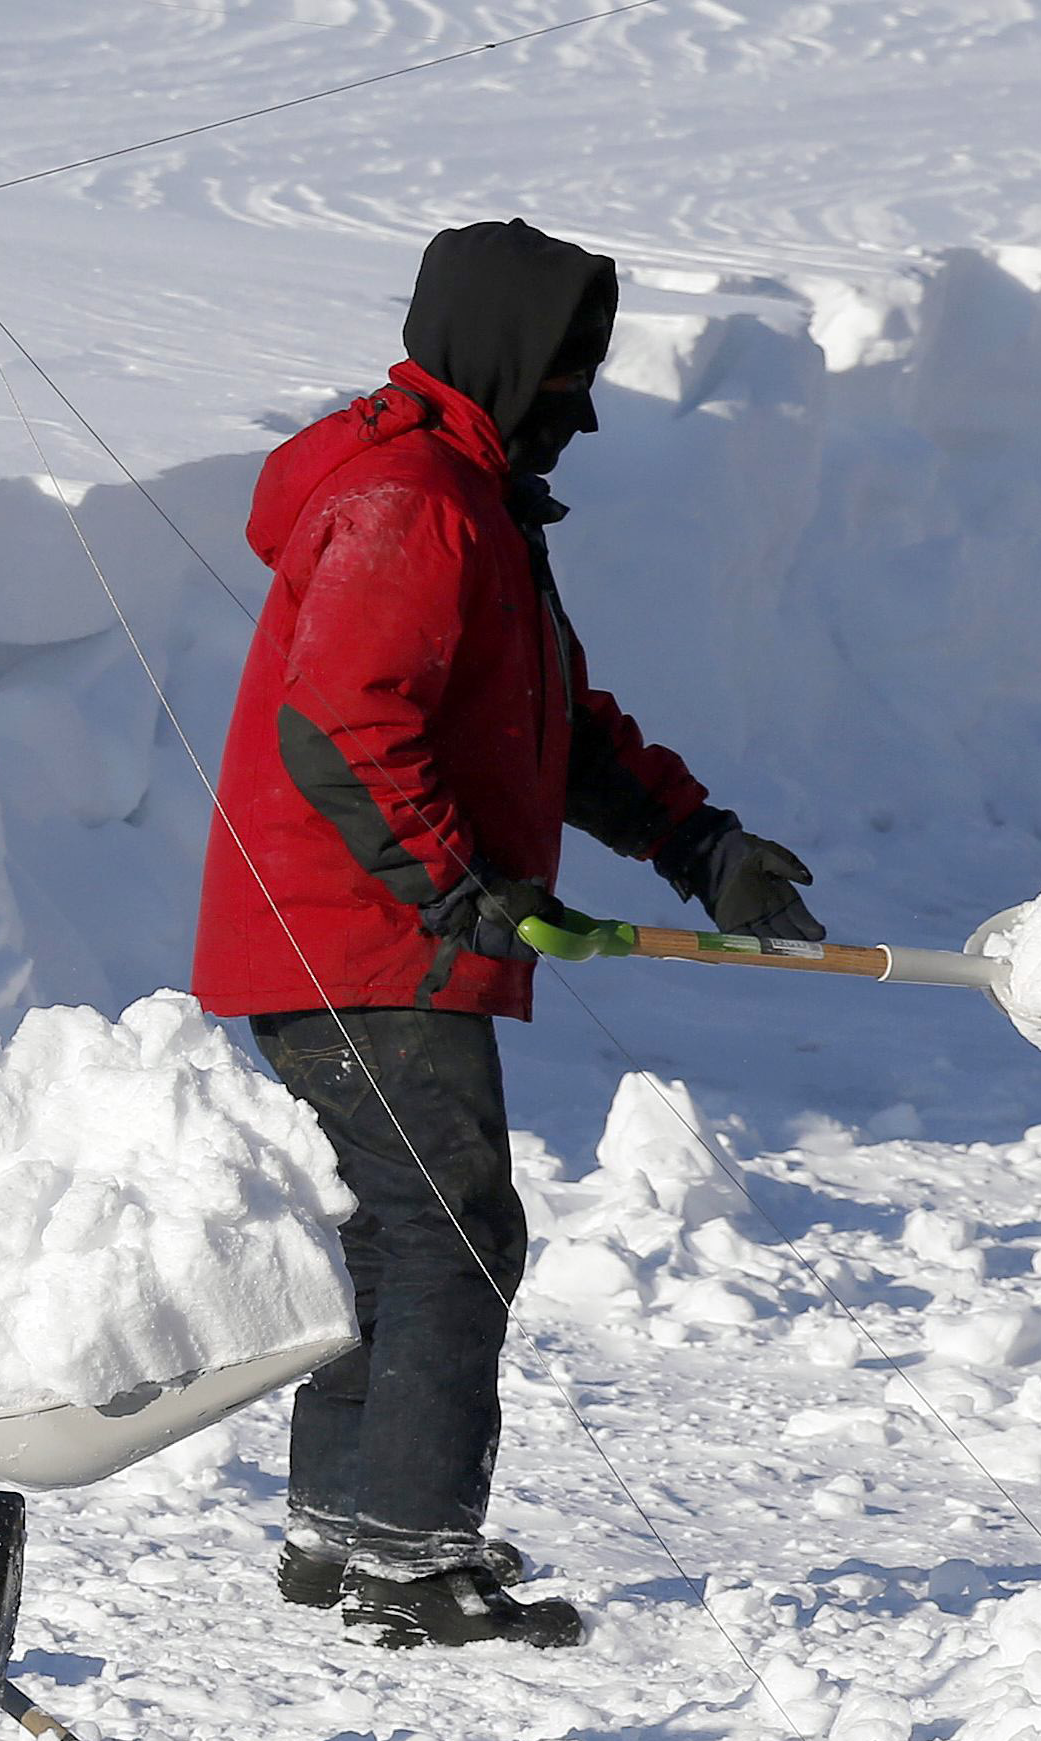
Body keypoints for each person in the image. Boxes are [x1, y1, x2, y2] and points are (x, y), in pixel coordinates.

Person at [193, 217, 828, 1650]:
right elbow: (341, 728)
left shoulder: (458, 495)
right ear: (500, 356)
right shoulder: (411, 502)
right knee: (449, 1235)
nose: (582, 408)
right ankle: (408, 1568)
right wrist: (451, 885)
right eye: (564, 373)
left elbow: (554, 728)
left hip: (361, 927)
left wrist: (696, 842)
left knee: (401, 1232)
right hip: (358, 937)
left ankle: (346, 1535)